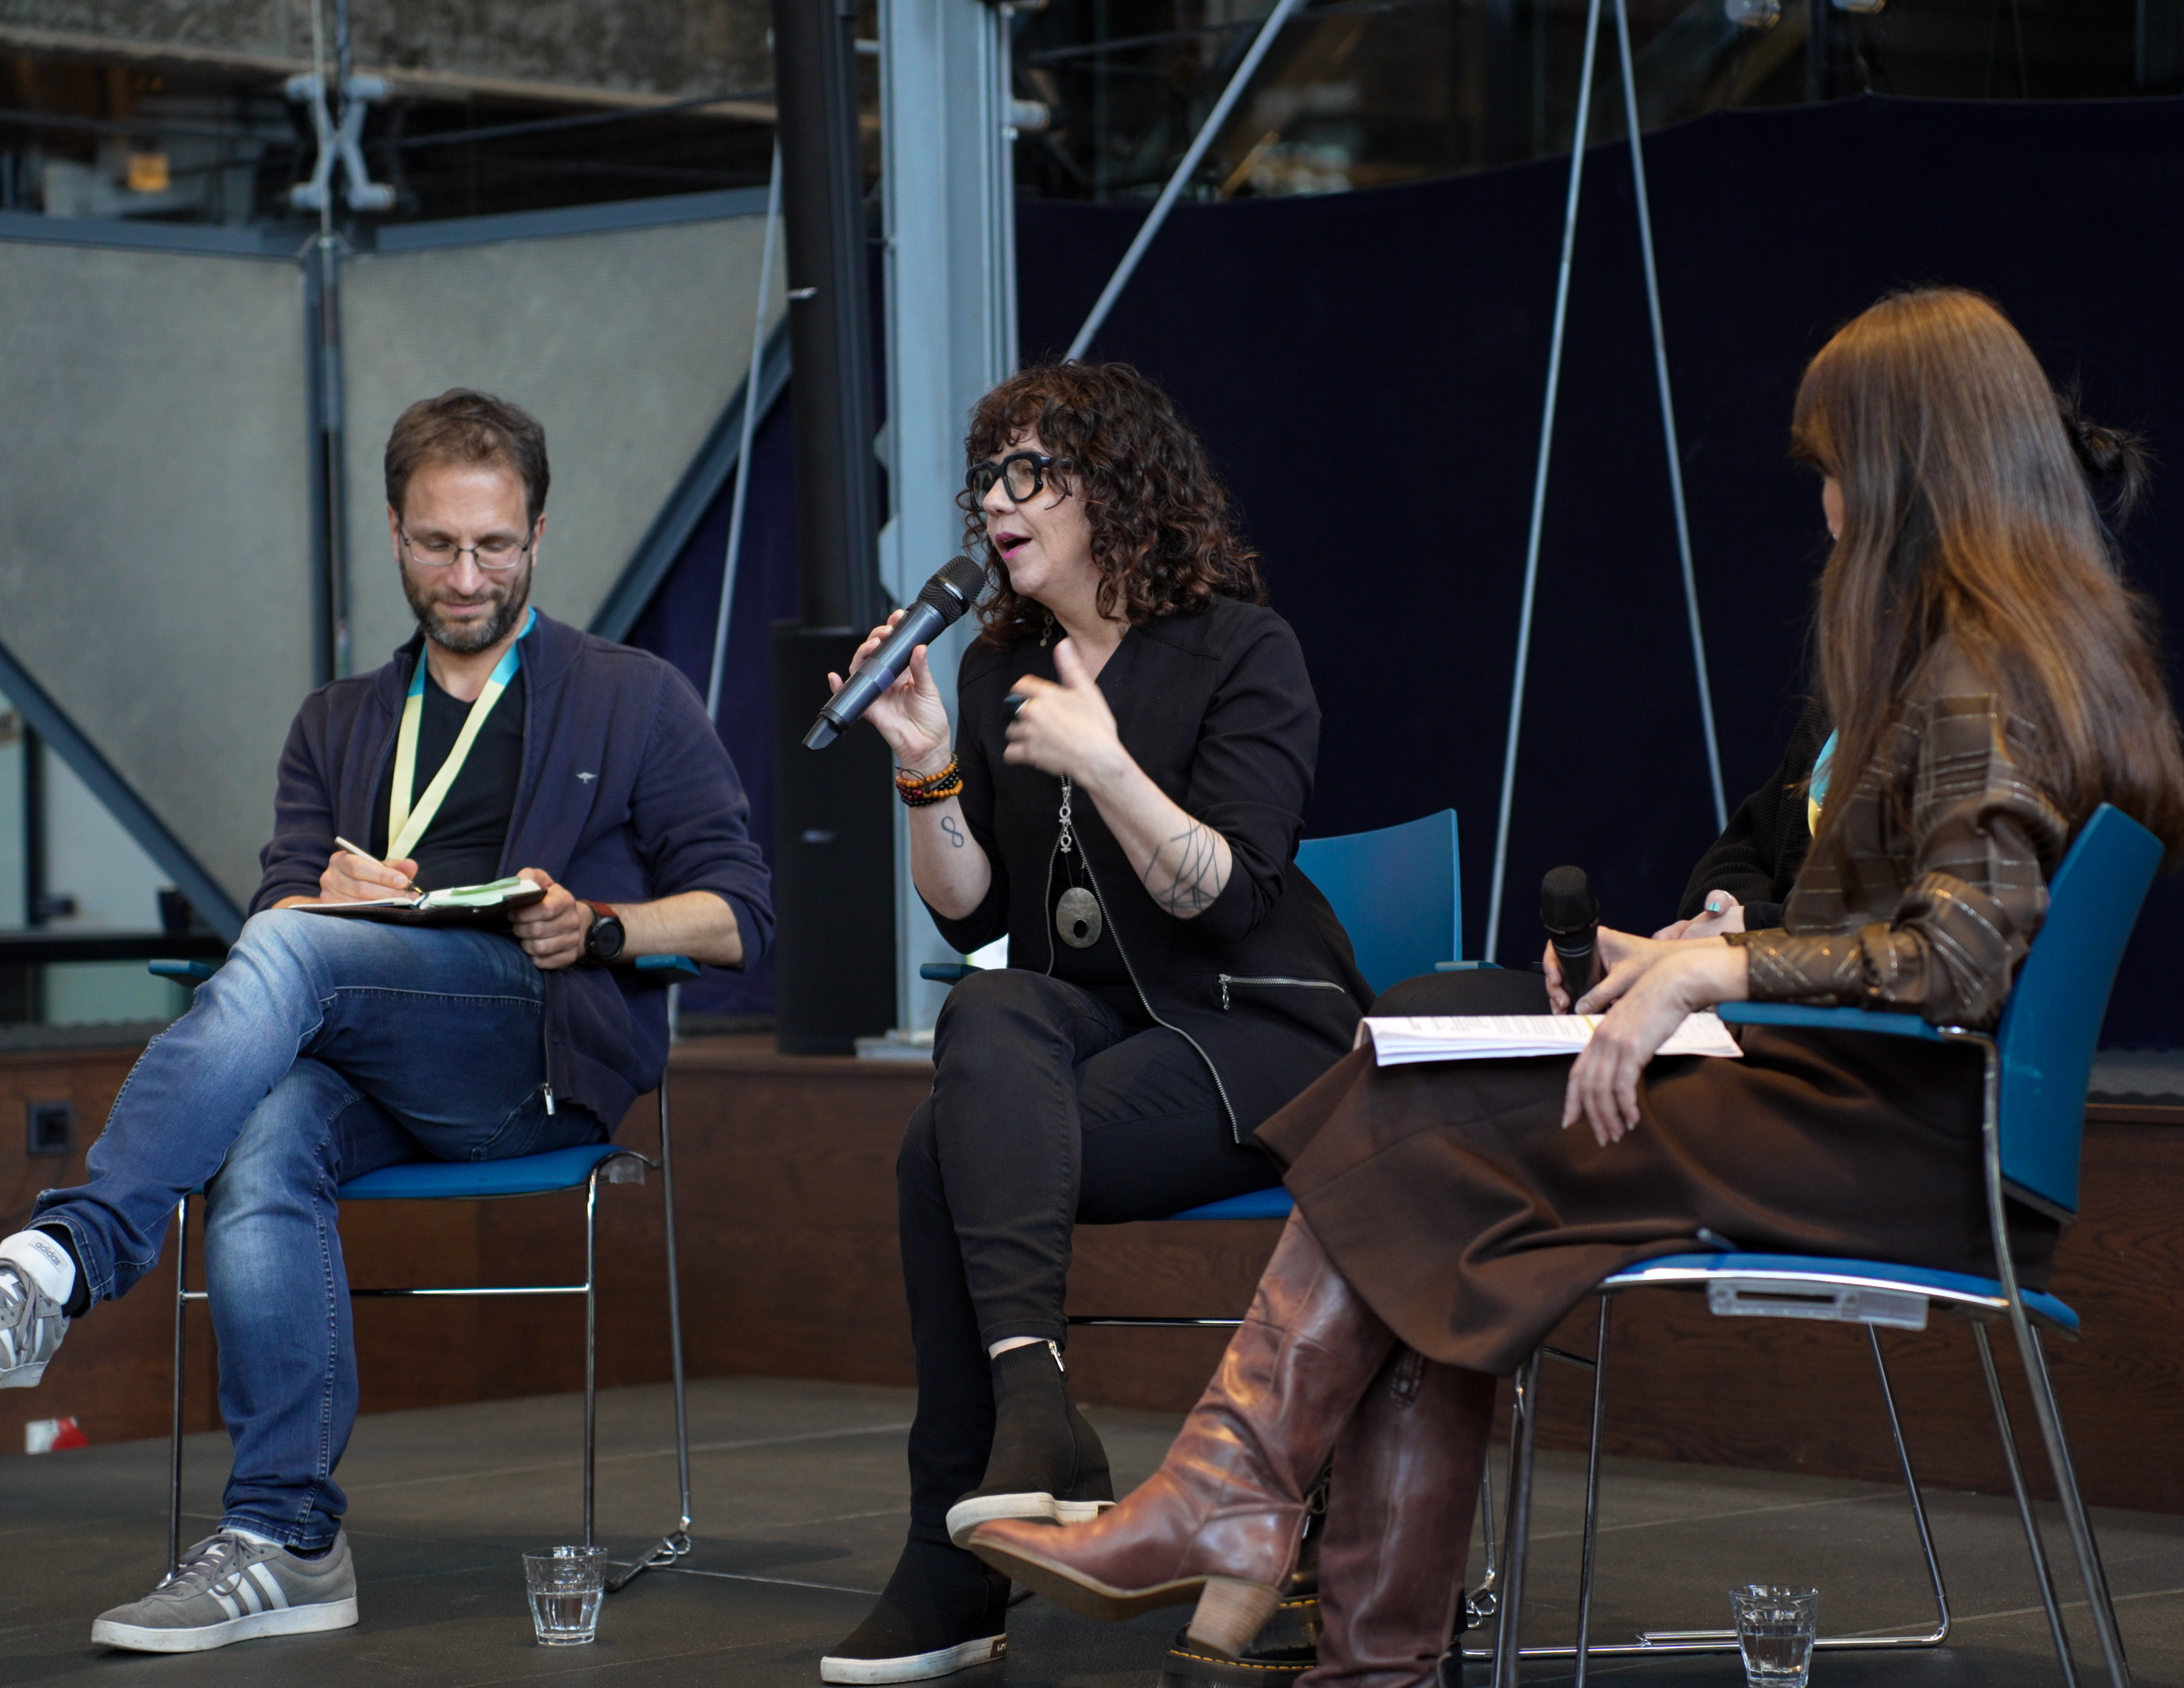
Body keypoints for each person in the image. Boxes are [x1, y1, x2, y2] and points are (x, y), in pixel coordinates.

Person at [963, 288, 2184, 1688]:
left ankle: (1254, 1531)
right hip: (1876, 1115)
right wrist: (1674, 962)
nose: (1833, 509)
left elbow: (1962, 963)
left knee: (1433, 1122)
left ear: (1917, 469)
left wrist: (1715, 968)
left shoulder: (1984, 669)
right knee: (1460, 1165)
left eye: (1842, 471)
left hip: (1897, 1142)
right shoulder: (1994, 650)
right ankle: (1308, 1592)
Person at [0, 389, 772, 1654]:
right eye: (435, 545)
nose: (466, 576)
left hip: (532, 1052)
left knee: (290, 956)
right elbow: (278, 910)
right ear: (395, 532)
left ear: (538, 533)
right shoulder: (339, 720)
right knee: (262, 1125)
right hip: (369, 1053)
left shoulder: (632, 697)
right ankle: (288, 1540)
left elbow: (746, 915)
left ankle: (64, 1259)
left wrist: (608, 924)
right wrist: (325, 900)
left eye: (495, 545)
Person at [818, 362, 1371, 1685]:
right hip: (1104, 1029)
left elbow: (1232, 900)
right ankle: (1033, 1413)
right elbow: (973, 916)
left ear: (1118, 492)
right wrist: (922, 763)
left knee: (934, 1151)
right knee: (995, 1011)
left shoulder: (1245, 648)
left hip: (1261, 1035)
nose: (998, 508)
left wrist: (1107, 761)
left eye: (1031, 474)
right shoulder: (1003, 659)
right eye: (987, 479)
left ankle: (961, 1553)